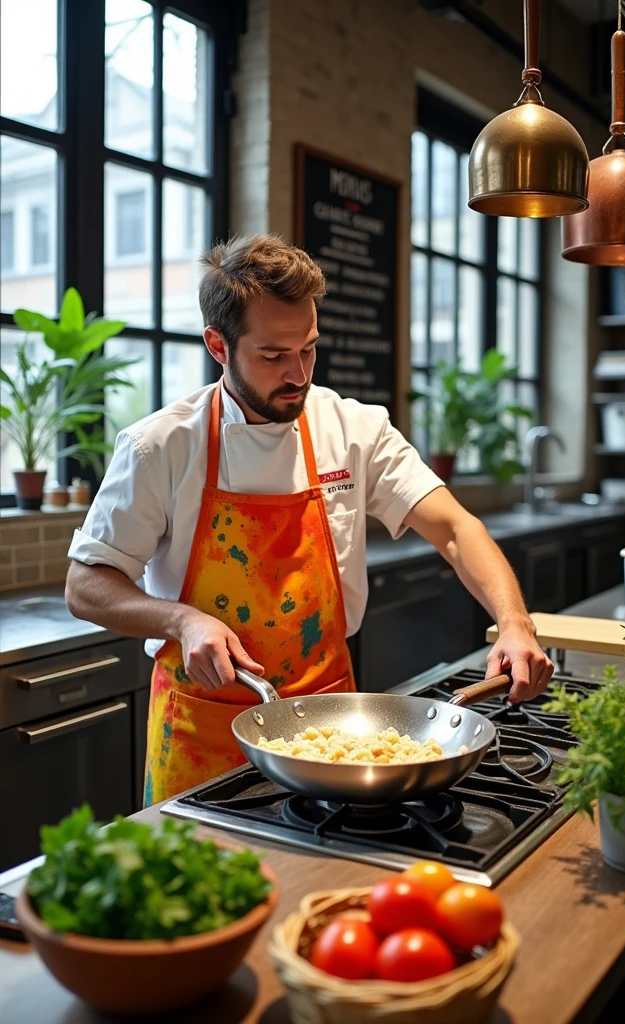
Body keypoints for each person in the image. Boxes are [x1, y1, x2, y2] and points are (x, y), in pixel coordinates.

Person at [65, 234, 554, 806]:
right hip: (201, 732)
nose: (298, 373)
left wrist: (515, 622)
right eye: (273, 356)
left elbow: (454, 527)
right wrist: (180, 622)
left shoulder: (354, 429)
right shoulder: (161, 446)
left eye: (309, 349)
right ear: (217, 346)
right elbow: (86, 586)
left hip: (329, 730)